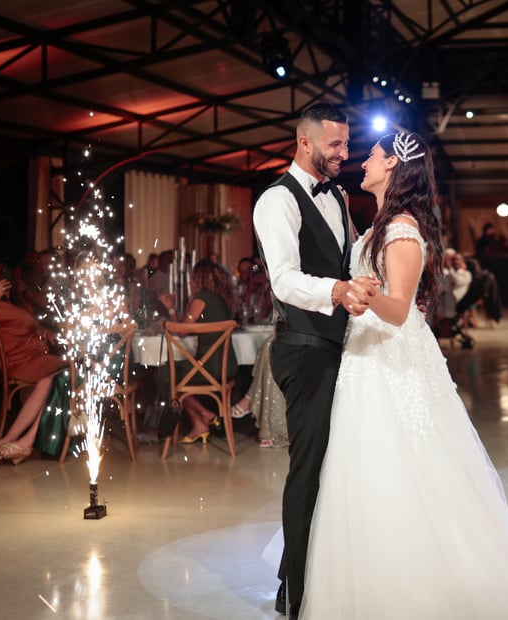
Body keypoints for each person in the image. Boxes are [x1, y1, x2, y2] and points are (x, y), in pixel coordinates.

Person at [299, 131, 508, 619]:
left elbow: (400, 311)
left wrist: (362, 295)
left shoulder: (402, 230)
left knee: (399, 465)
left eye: (372, 156)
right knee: (364, 467)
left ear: (392, 166)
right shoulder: (381, 224)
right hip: (365, 359)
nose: (363, 162)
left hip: (391, 363)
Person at [252, 101, 377, 617]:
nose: (345, 153)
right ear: (305, 142)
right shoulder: (276, 201)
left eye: (347, 143)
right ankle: (297, 592)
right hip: (303, 349)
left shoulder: (339, 196)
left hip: (338, 346)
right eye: (336, 144)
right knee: (307, 469)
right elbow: (283, 279)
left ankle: (302, 573)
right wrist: (338, 291)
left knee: (332, 464)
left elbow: (349, 257)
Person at [0, 263, 67, 464]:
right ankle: (23, 442)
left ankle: (11, 441)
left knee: (57, 377)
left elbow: (34, 326)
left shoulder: (20, 303)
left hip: (39, 356)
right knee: (67, 372)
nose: (0, 280)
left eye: (3, 275)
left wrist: (46, 332)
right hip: (19, 361)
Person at [158, 259, 238, 444]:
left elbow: (181, 331)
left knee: (164, 374)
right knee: (171, 374)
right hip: (227, 365)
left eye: (193, 278)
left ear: (200, 279)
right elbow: (188, 328)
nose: (190, 282)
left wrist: (170, 311)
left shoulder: (202, 297)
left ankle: (204, 414)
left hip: (208, 367)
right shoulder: (221, 299)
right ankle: (199, 424)